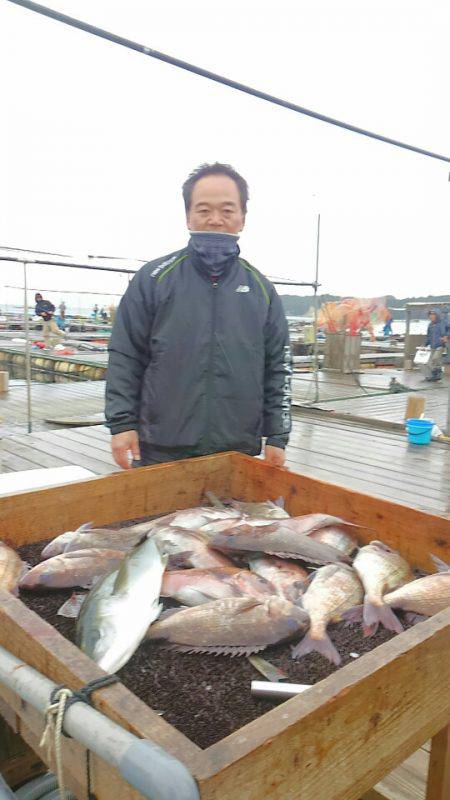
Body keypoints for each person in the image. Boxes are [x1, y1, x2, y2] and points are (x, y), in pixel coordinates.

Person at [106, 162, 292, 470]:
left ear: (242, 218)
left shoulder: (261, 289)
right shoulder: (153, 278)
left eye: (227, 210)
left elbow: (278, 367)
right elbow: (125, 354)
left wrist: (277, 436)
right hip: (159, 447)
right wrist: (121, 423)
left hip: (236, 452)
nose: (215, 220)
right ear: (188, 216)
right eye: (203, 210)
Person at [424, 309, 446, 381]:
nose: (431, 316)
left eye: (433, 314)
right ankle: (435, 375)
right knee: (430, 361)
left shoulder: (442, 323)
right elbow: (428, 336)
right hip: (432, 346)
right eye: (430, 314)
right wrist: (424, 344)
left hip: (440, 345)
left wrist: (446, 337)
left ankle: (438, 372)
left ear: (437, 315)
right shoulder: (430, 325)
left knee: (435, 358)